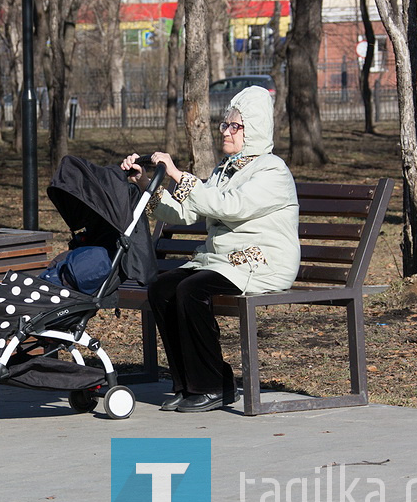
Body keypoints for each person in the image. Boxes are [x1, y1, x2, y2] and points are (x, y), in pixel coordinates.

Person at [121, 86, 300, 412]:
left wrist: (178, 175)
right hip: (223, 261)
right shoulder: (226, 168)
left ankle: (215, 384)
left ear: (254, 129)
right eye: (225, 125)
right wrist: (146, 183)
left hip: (261, 260)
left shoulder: (271, 171)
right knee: (162, 289)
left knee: (191, 290)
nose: (226, 132)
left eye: (235, 126)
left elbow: (230, 206)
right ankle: (188, 385)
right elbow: (186, 213)